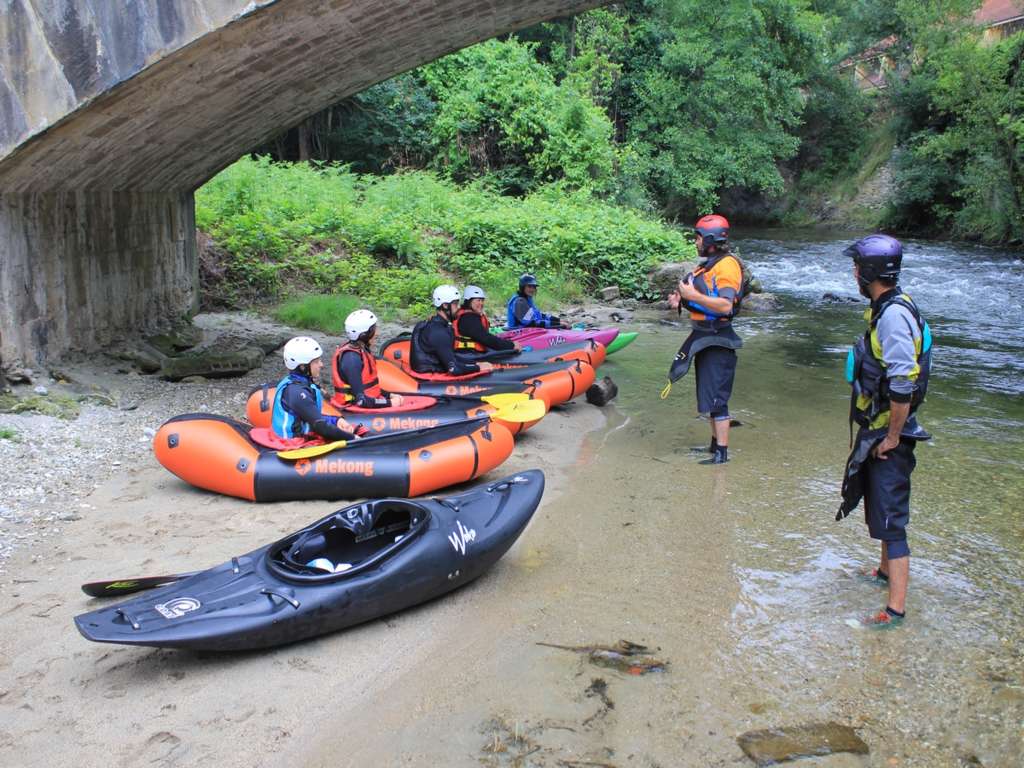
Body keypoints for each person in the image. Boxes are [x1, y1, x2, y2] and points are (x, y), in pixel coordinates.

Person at [836, 234, 932, 629]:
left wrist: (892, 437)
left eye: (857, 267)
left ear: (870, 273)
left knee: (892, 520)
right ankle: (882, 573)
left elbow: (902, 384)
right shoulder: (889, 305)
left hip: (889, 434)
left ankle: (894, 610)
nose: (854, 273)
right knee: (878, 505)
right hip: (878, 429)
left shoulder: (892, 316)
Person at [667, 214, 743, 465]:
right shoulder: (709, 265)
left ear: (709, 239)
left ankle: (721, 454)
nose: (695, 242)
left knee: (717, 399)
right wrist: (682, 301)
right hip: (705, 337)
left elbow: (723, 306)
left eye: (698, 237)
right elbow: (703, 302)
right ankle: (714, 446)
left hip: (719, 340)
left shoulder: (727, 266)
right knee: (709, 396)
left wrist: (692, 296)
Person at [271, 336, 365, 442]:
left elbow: (312, 417)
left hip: (301, 439)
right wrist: (352, 438)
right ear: (303, 367)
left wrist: (336, 421)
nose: (321, 364)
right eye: (316, 361)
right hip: (292, 446)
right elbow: (321, 427)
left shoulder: (300, 384)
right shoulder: (297, 392)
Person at [410, 285, 495, 376]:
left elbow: (451, 357)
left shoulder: (437, 325)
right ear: (445, 305)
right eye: (455, 304)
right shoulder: (439, 332)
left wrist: (475, 363)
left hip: (434, 368)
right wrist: (478, 368)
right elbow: (454, 369)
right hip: (430, 377)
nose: (458, 308)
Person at [330, 309, 404, 409]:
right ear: (364, 335)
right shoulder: (352, 359)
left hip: (370, 401)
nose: (377, 333)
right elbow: (361, 401)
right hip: (354, 408)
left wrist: (388, 395)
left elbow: (368, 387)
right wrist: (390, 403)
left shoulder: (360, 350)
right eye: (374, 330)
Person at [453, 285, 522, 355]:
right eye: (478, 300)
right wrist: (511, 345)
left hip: (471, 352)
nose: (481, 303)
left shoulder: (469, 315)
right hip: (468, 354)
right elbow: (486, 338)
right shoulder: (468, 318)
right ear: (469, 301)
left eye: (482, 300)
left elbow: (485, 337)